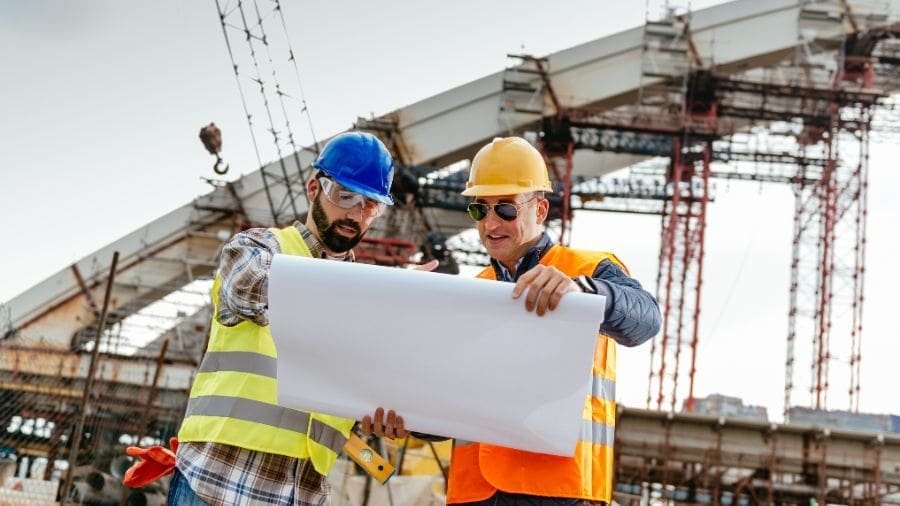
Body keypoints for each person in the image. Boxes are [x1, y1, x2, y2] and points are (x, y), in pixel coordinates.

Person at [170, 131, 430, 505]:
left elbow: (355, 396)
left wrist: (383, 416)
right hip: (219, 481)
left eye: (370, 205)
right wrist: (379, 295)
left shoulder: (368, 300)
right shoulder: (259, 248)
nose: (355, 213)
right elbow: (249, 290)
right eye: (345, 196)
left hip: (302, 492)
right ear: (314, 188)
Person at [446, 137, 662, 506]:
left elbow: (646, 319)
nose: (491, 224)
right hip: (475, 492)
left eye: (506, 210)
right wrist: (404, 421)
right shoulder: (474, 291)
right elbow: (451, 402)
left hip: (560, 490)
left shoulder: (587, 271)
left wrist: (586, 293)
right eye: (479, 211)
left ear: (540, 209)